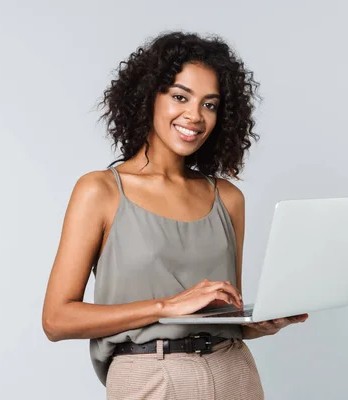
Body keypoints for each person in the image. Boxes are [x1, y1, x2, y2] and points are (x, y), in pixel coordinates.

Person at [42, 31, 308, 400]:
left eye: (210, 105)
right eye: (180, 97)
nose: (195, 116)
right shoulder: (100, 191)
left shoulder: (227, 198)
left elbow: (222, 312)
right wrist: (166, 307)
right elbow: (56, 320)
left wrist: (258, 324)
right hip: (150, 376)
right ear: (149, 96)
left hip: (234, 373)